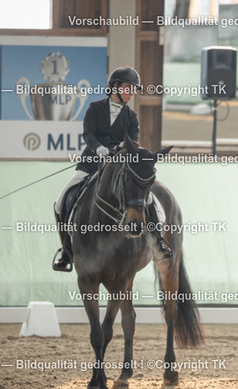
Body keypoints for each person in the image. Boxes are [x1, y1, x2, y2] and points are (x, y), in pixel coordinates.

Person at [52, 67, 172, 272]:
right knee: (62, 200)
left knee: (150, 200)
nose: (131, 93)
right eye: (127, 88)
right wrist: (99, 148)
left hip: (119, 169)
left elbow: (133, 142)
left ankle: (159, 241)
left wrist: (119, 149)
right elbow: (88, 133)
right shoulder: (94, 108)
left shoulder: (131, 117)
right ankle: (66, 250)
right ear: (114, 87)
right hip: (91, 165)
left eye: (133, 90)